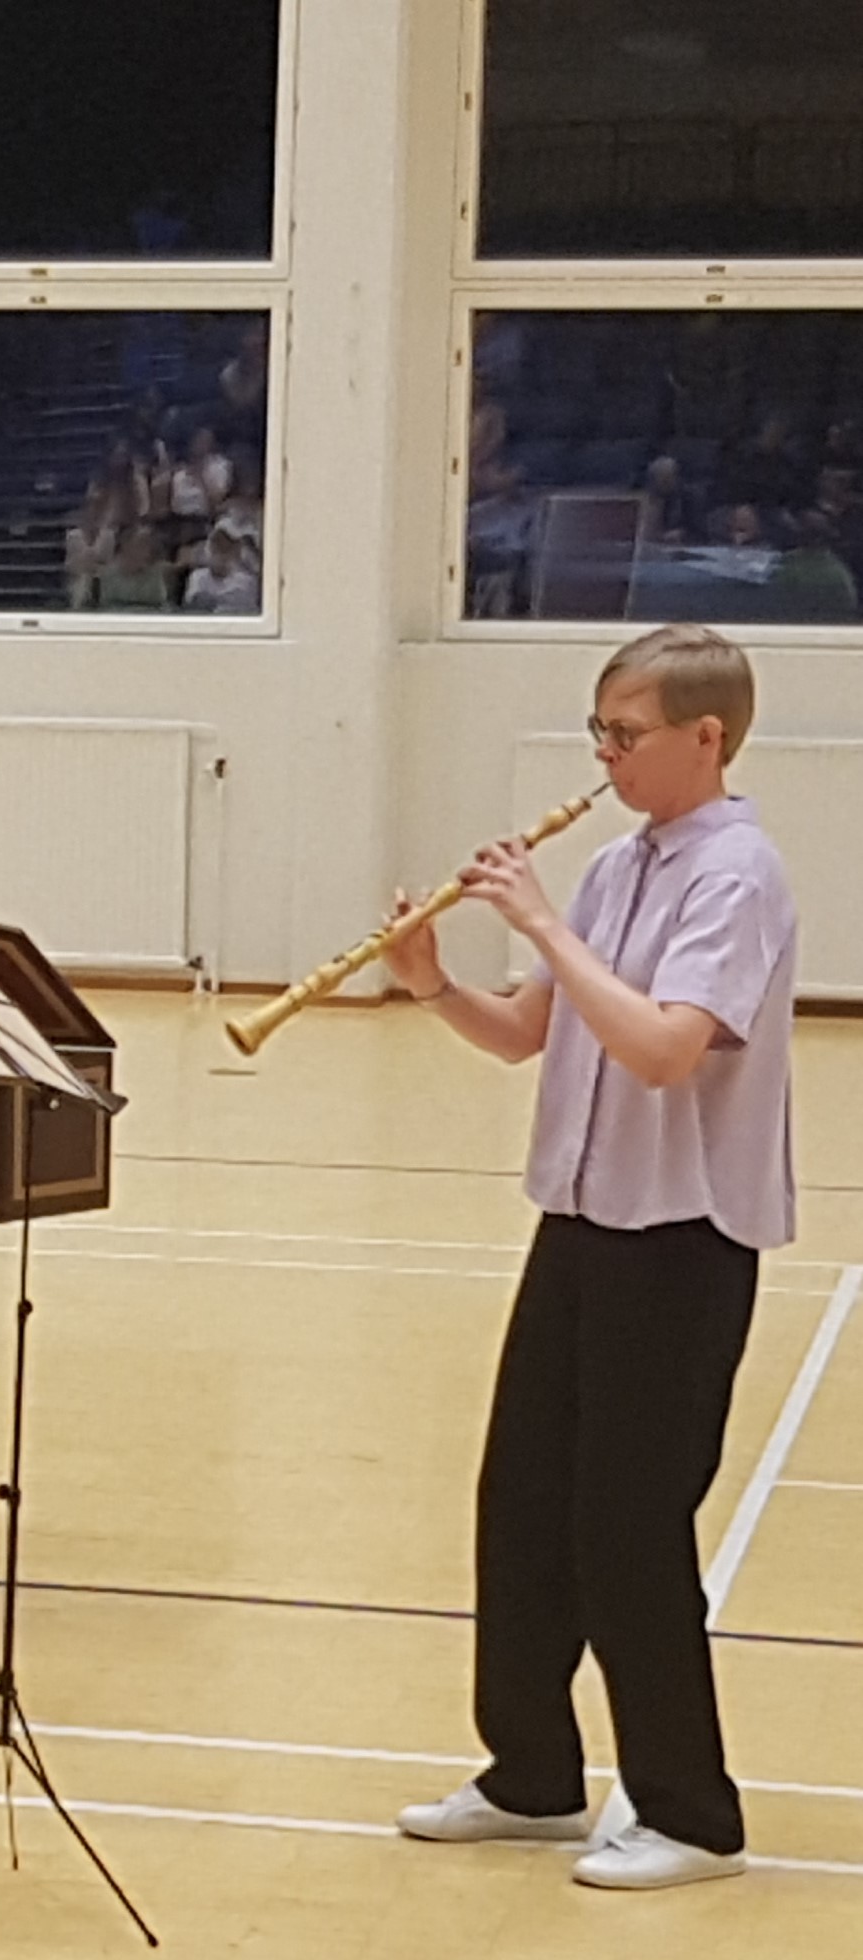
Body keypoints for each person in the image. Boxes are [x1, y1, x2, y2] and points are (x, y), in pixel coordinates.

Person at [385, 625, 793, 1891]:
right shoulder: (618, 867)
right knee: (520, 1503)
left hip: (680, 1239)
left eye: (624, 733)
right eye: (597, 732)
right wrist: (430, 981)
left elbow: (664, 1047)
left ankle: (689, 1813)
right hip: (578, 1223)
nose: (603, 755)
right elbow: (528, 1032)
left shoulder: (736, 875)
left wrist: (540, 922)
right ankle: (530, 1775)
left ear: (703, 737)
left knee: (627, 1525)